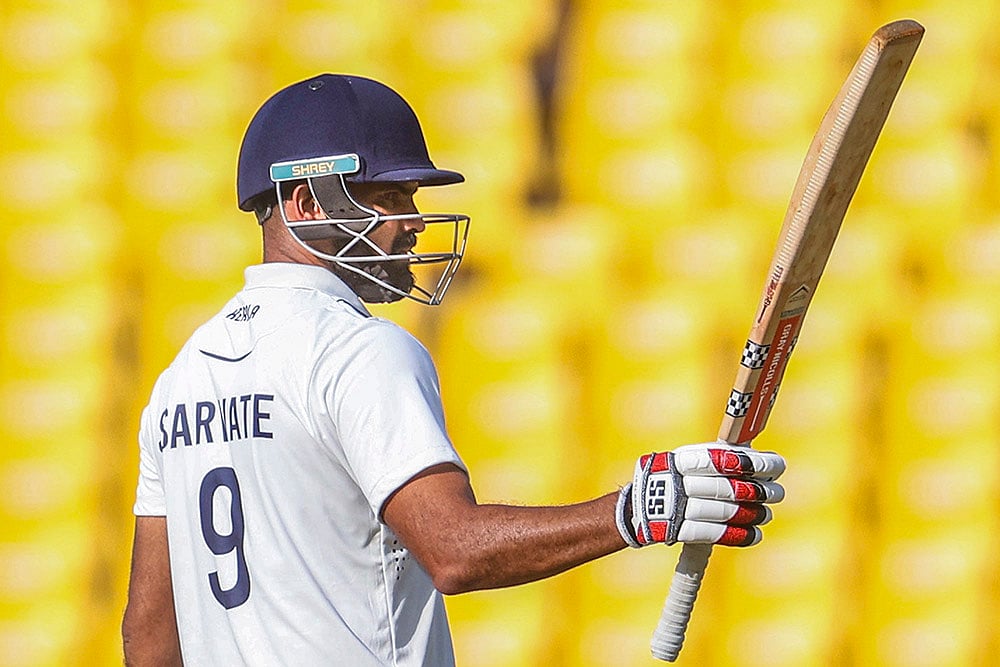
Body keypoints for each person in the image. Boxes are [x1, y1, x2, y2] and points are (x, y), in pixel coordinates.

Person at [121, 73, 786, 666]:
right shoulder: (360, 349)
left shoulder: (180, 379)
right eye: (388, 197)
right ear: (303, 204)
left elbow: (149, 642)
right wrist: (636, 510)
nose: (411, 223)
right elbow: (454, 550)